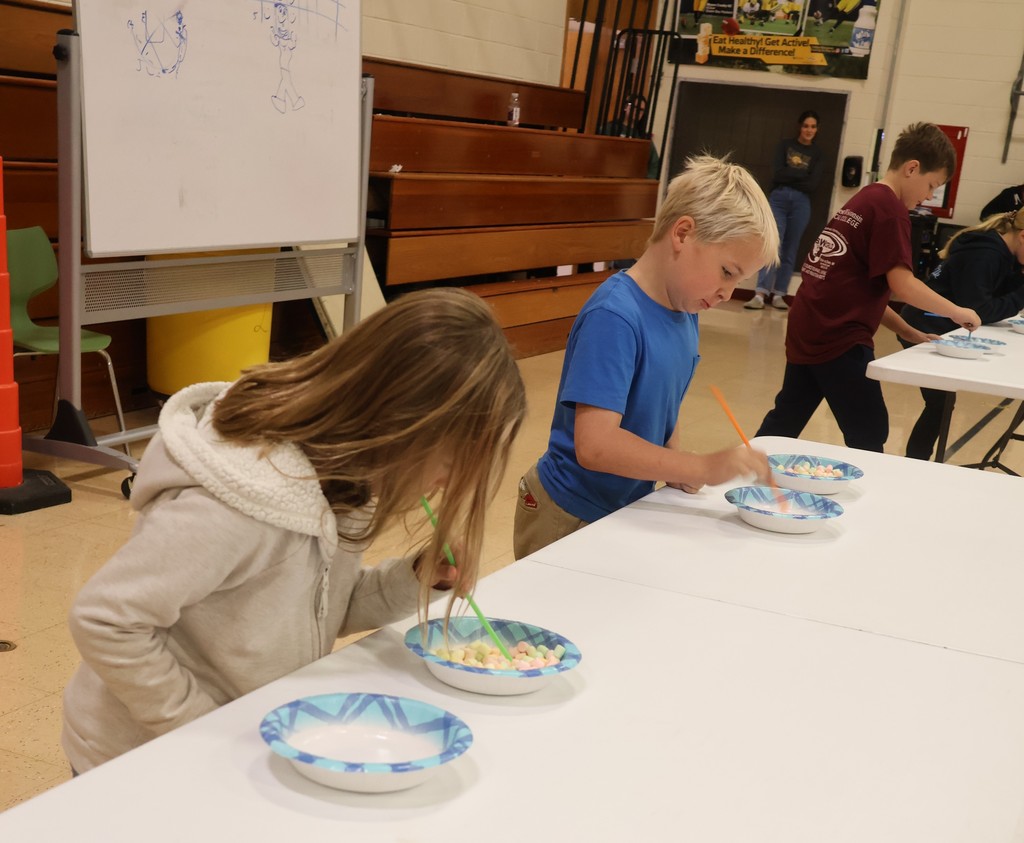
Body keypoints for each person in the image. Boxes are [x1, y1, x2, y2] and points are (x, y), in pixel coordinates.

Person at [61, 288, 527, 774]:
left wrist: (415, 578)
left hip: (237, 735)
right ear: (400, 424)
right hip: (136, 757)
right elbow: (104, 620)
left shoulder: (348, 481)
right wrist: (198, 725)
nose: (446, 484)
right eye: (451, 462)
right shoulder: (233, 509)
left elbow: (318, 610)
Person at [513, 154, 779, 560]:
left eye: (739, 281)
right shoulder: (615, 317)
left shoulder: (685, 309)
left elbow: (660, 406)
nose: (729, 292)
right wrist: (698, 467)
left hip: (621, 506)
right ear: (683, 233)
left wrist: (674, 461)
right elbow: (596, 445)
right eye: (727, 272)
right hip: (568, 514)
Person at [755, 122, 981, 453]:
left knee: (786, 418)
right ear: (912, 168)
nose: (929, 196)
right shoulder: (891, 212)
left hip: (809, 322)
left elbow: (860, 290)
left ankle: (744, 471)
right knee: (870, 428)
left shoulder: (866, 197)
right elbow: (902, 285)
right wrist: (958, 311)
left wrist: (909, 330)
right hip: (837, 335)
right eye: (931, 185)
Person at [898, 210, 1024, 459]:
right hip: (923, 326)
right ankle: (917, 462)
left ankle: (919, 460)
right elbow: (978, 310)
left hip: (940, 325)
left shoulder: (999, 251)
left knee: (941, 405)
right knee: (940, 406)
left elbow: (992, 295)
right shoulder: (985, 254)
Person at [745, 110, 824, 311]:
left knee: (791, 248)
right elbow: (778, 174)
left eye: (813, 126)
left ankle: (779, 294)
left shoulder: (818, 154)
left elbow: (813, 184)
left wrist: (792, 174)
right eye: (806, 125)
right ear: (800, 127)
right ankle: (760, 293)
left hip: (802, 203)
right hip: (779, 198)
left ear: (817, 130)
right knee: (773, 244)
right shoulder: (785, 146)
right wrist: (801, 174)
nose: (809, 130)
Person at [597, 93, 661, 181]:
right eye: (634, 107)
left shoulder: (643, 137)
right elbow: (598, 155)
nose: (637, 111)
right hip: (608, 179)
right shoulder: (609, 129)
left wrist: (646, 182)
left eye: (641, 110)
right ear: (626, 106)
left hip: (631, 184)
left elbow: (654, 162)